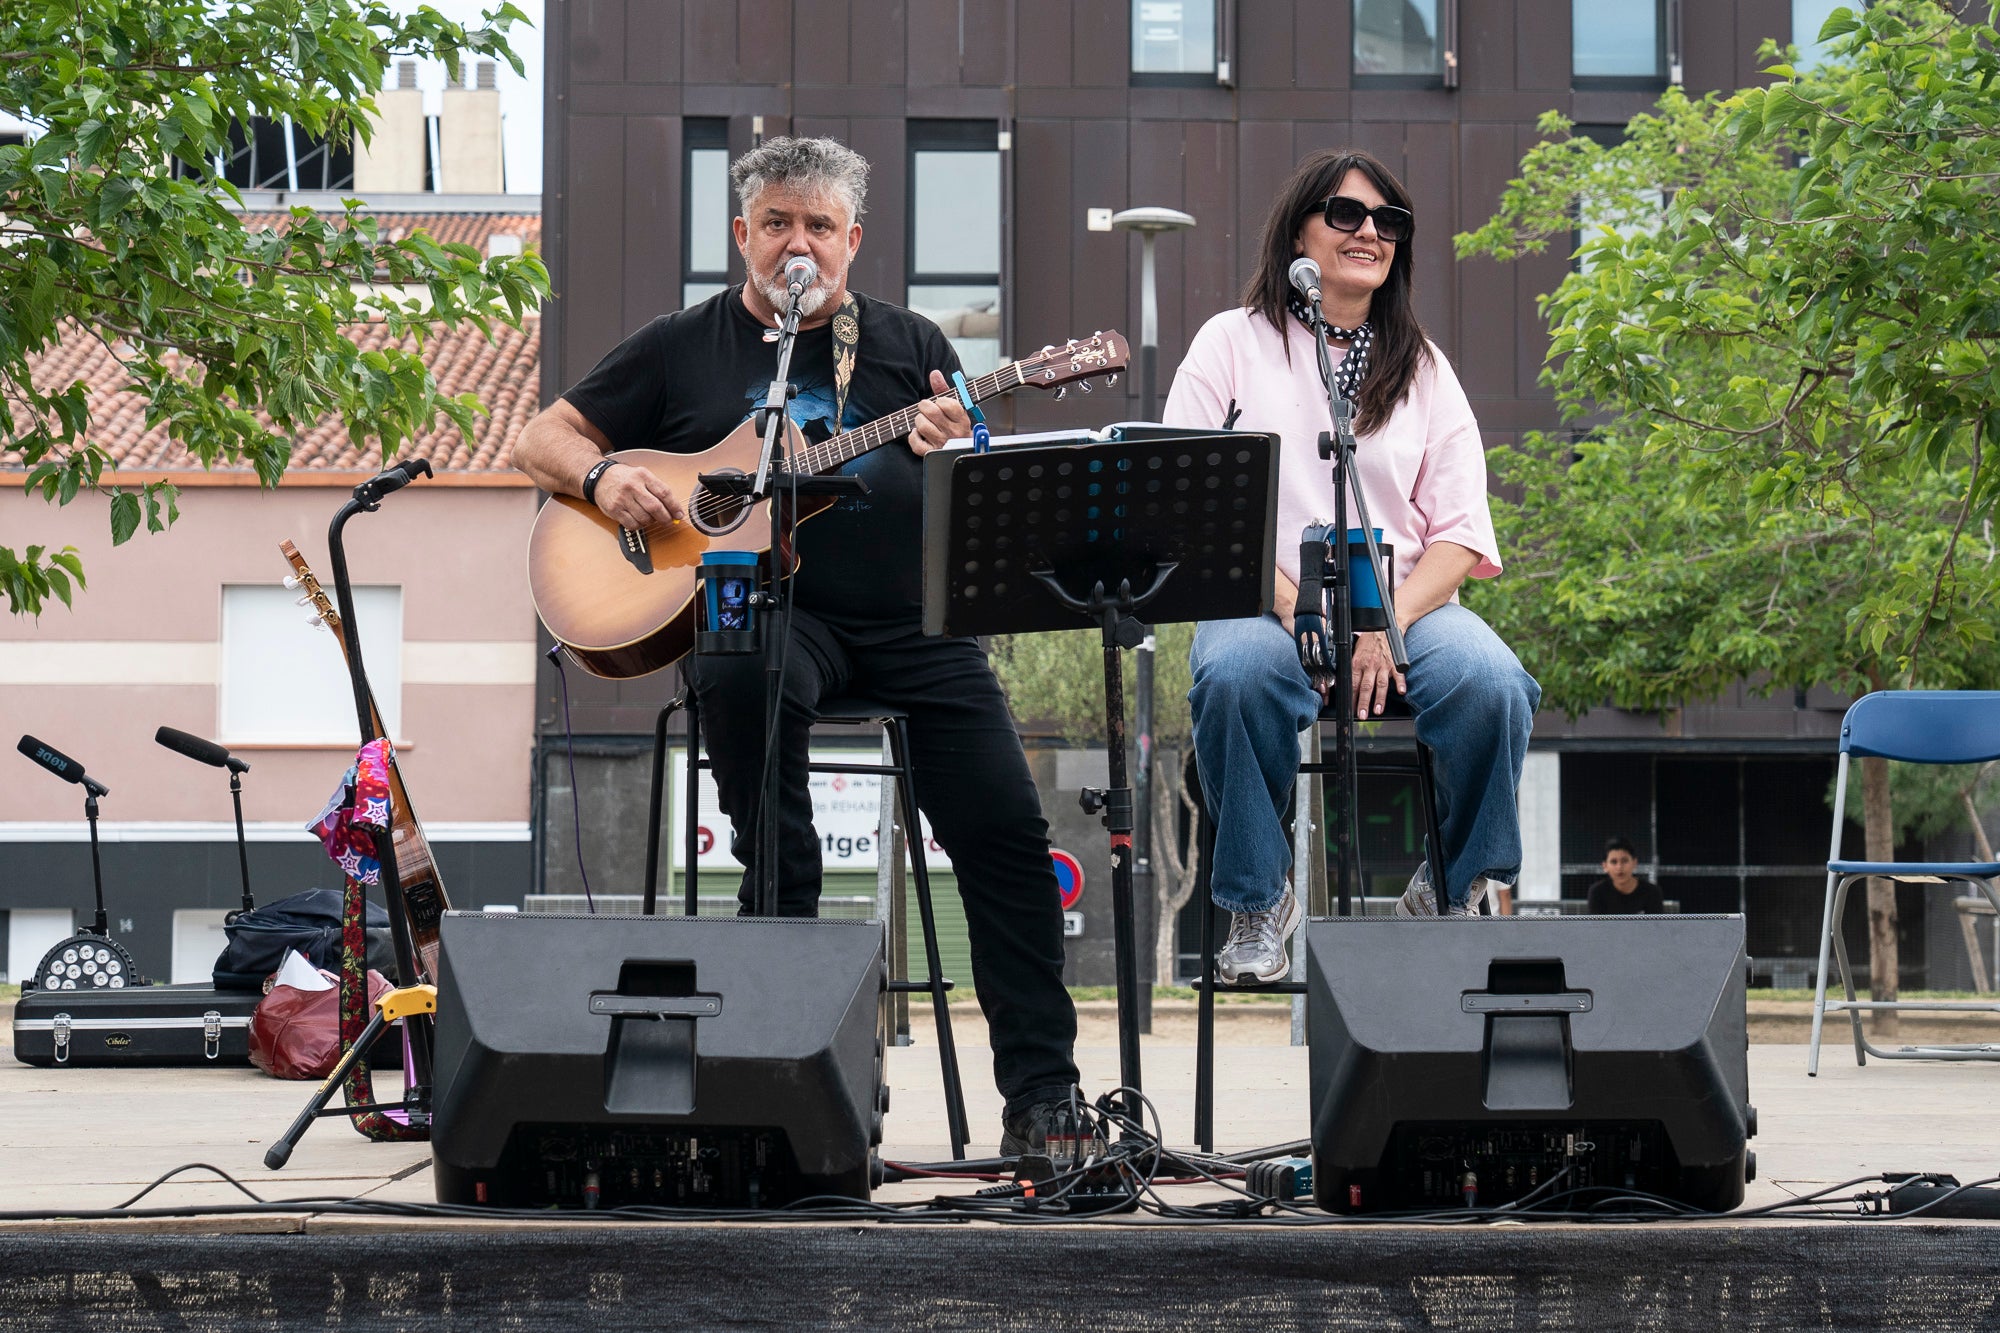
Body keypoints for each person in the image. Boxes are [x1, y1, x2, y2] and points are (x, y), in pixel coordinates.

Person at [512, 136, 1081, 1154]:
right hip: (772, 618)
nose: (798, 244)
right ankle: (785, 931)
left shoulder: (910, 345)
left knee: (1007, 836)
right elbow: (540, 439)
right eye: (777, 222)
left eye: (820, 225)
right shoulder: (679, 345)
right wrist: (603, 479)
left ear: (853, 240)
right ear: (743, 234)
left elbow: (982, 502)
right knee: (739, 653)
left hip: (911, 625)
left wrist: (955, 449)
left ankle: (1042, 1099)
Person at [1164, 149, 1541, 984]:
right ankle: (1260, 900)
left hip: (1403, 605)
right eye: (1346, 214)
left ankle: (1450, 886)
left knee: (1494, 683)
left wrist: (1383, 623)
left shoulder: (1423, 366)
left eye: (1388, 221)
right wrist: (1297, 606)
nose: (1369, 232)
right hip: (1263, 598)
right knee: (1233, 675)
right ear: (1299, 232)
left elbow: (1461, 533)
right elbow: (1192, 506)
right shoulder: (1230, 343)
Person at [1586, 837, 1665, 915]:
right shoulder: (1597, 892)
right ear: (1605, 866)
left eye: (1624, 861)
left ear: (1634, 863)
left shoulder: (1652, 892)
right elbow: (1595, 922)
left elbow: (1656, 923)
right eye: (1614, 862)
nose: (1619, 867)